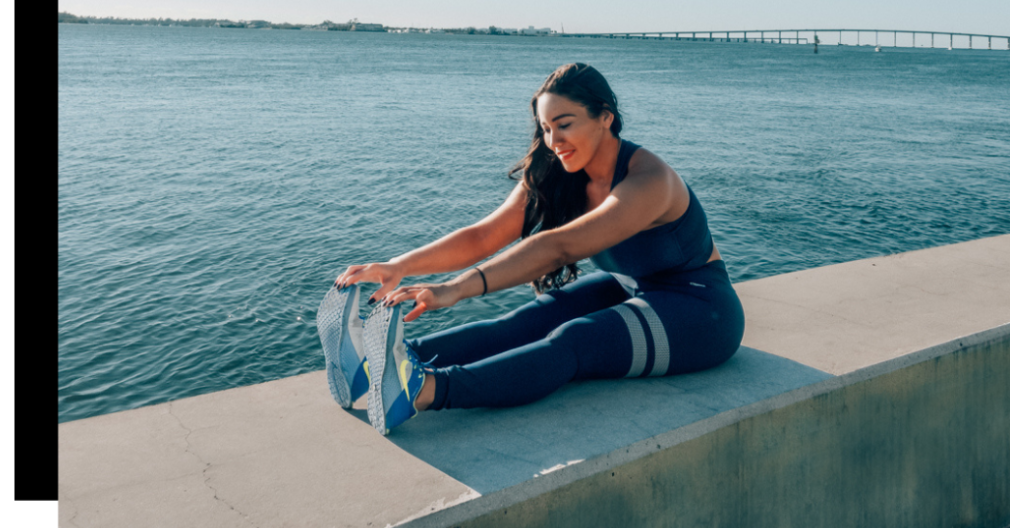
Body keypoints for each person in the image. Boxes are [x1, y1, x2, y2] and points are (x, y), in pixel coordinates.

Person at [317, 62, 745, 437]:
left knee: (576, 340)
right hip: (633, 286)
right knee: (527, 320)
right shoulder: (559, 169)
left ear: (605, 119)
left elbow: (559, 247)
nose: (554, 139)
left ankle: (421, 391)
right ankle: (376, 370)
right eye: (545, 127)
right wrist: (400, 266)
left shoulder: (650, 180)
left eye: (565, 123)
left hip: (701, 311)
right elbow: (485, 235)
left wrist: (456, 288)